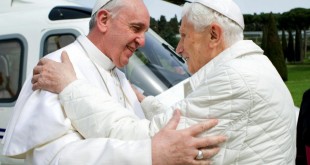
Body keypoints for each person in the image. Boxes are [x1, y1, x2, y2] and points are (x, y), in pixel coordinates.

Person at [31, 0, 297, 164]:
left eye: (183, 35)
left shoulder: (236, 80)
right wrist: (146, 102)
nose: (179, 49)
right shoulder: (252, 67)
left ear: (214, 35)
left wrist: (70, 87)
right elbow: (184, 114)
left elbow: (148, 140)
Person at [1, 0, 226, 164]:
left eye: (145, 32)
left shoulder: (118, 74)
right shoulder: (55, 68)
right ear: (104, 20)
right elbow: (52, 158)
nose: (141, 41)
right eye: (136, 28)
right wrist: (149, 153)